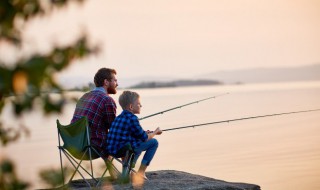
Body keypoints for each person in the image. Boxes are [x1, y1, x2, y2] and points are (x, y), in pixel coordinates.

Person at [107, 91, 162, 185]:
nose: (141, 106)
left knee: (136, 142)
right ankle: (140, 172)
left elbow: (131, 133)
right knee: (154, 142)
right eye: (139, 104)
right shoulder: (133, 118)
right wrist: (155, 132)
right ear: (131, 107)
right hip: (124, 150)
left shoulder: (118, 118)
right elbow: (145, 138)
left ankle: (127, 172)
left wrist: (145, 132)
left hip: (112, 150)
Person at [71, 68, 118, 176]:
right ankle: (122, 174)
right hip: (90, 149)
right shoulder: (107, 100)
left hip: (74, 145)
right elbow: (113, 128)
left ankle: (114, 173)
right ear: (106, 82)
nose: (117, 84)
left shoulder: (84, 96)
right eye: (115, 80)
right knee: (121, 137)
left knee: (101, 136)